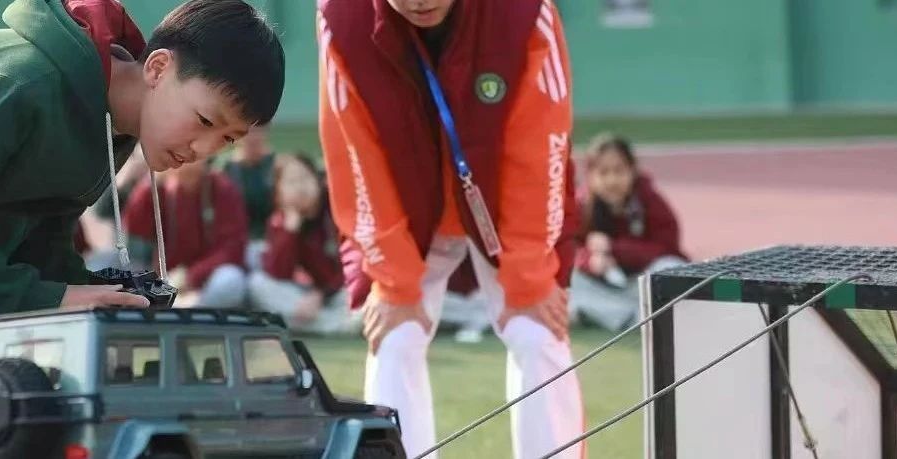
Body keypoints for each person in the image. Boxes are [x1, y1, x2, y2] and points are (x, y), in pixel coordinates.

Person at [0, 0, 284, 456]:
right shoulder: (21, 81)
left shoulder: (119, 125)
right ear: (159, 69)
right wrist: (52, 297)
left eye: (226, 139)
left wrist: (100, 295)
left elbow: (41, 234)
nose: (203, 148)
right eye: (204, 120)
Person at [317, 0, 584, 457]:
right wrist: (394, 281)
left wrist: (530, 278)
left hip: (503, 205)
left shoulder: (523, 12)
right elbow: (354, 156)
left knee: (536, 330)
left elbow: (540, 151)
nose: (421, 1)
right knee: (394, 336)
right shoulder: (343, 18)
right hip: (406, 210)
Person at [570, 133, 687, 331]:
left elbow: (668, 248)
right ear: (590, 175)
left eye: (619, 171)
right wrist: (589, 260)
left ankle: (624, 315)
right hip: (605, 288)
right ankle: (633, 317)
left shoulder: (650, 200)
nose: (612, 180)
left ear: (632, 171)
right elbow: (568, 248)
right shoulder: (582, 205)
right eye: (603, 172)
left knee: (671, 269)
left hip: (643, 285)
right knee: (567, 278)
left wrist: (614, 249)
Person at [247, 153, 359, 334]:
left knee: (363, 296)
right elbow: (278, 273)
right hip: (304, 295)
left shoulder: (337, 211)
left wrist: (321, 294)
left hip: (338, 291)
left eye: (305, 178)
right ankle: (333, 325)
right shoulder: (279, 222)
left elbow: (354, 267)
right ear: (279, 192)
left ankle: (309, 324)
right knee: (257, 284)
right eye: (291, 182)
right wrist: (291, 230)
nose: (300, 188)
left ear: (318, 181)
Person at [123, 160, 249, 309]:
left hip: (206, 281)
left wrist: (190, 276)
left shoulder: (222, 188)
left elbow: (232, 248)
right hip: (164, 278)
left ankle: (193, 315)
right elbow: (134, 227)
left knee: (231, 280)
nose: (186, 160)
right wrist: (150, 182)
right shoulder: (158, 189)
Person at [220, 126, 279, 270]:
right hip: (237, 243)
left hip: (273, 241)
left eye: (258, 130)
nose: (253, 137)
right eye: (247, 131)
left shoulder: (278, 166)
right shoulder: (225, 169)